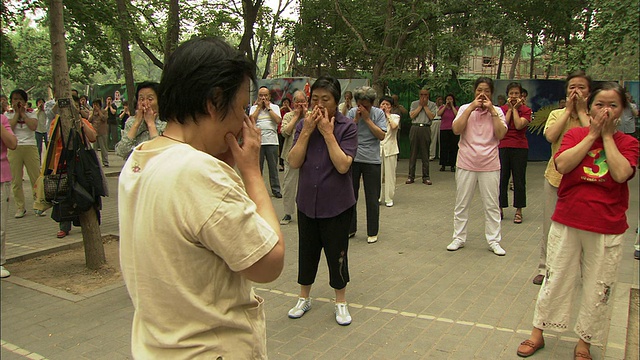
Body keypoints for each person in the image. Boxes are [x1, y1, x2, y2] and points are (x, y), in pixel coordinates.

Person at [118, 37, 284, 358]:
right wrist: (250, 172)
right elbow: (269, 263)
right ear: (213, 101)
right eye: (240, 110)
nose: (242, 123)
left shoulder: (141, 158)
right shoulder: (198, 172)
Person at [516, 82, 639, 359]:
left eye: (612, 105)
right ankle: (538, 332)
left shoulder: (629, 143)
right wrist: (592, 134)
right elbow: (563, 164)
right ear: (589, 107)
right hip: (569, 219)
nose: (605, 110)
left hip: (606, 225)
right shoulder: (575, 135)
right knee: (555, 277)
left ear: (622, 111)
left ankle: (584, 342)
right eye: (599, 105)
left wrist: (606, 138)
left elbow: (620, 174)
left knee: (599, 284)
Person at [286, 75, 358, 325]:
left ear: (335, 102)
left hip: (337, 205)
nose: (318, 104)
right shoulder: (303, 125)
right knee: (307, 252)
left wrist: (328, 134)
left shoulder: (347, 127)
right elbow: (293, 162)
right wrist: (306, 130)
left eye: (325, 99)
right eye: (314, 98)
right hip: (307, 202)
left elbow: (342, 166)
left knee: (337, 254)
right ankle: (303, 297)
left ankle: (340, 301)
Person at [534, 70, 592, 286]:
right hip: (555, 178)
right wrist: (568, 111)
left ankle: (585, 272)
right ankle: (544, 267)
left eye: (581, 87)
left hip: (585, 182)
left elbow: (594, 137)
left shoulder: (593, 116)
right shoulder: (557, 115)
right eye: (572, 87)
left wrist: (582, 111)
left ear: (589, 92)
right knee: (549, 225)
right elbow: (550, 136)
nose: (576, 91)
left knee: (584, 229)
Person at [447, 77, 508, 256]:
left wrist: (491, 111)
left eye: (486, 91)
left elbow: (501, 134)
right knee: (462, 202)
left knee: (491, 205)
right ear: (474, 92)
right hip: (466, 162)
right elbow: (456, 129)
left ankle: (494, 240)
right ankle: (458, 237)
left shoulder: (497, 111)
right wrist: (472, 108)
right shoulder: (466, 108)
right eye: (479, 90)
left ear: (492, 93)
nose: (482, 94)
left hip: (490, 164)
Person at [47, 95, 98, 238]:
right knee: (63, 195)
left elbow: (93, 136)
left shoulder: (82, 121)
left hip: (81, 164)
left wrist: (81, 125)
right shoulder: (55, 122)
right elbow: (53, 138)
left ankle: (84, 222)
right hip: (62, 164)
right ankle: (64, 226)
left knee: (82, 193)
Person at [347, 86, 387, 243]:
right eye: (360, 105)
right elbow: (346, 134)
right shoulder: (351, 113)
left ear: (372, 104)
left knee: (372, 198)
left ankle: (372, 231)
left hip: (372, 160)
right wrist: (356, 120)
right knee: (351, 196)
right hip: (353, 159)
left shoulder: (378, 114)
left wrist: (367, 119)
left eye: (366, 105)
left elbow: (381, 135)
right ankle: (350, 228)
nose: (362, 108)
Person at [498, 82, 532, 224]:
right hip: (503, 146)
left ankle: (519, 210)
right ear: (507, 95)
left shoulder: (526, 110)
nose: (513, 96)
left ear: (521, 96)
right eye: (511, 93)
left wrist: (516, 110)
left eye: (516, 94)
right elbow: (504, 126)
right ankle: (499, 208)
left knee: (519, 180)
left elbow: (518, 125)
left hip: (520, 148)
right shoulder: (501, 109)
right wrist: (510, 110)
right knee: (502, 178)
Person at [4, 89, 41, 218]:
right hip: (14, 147)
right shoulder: (7, 114)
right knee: (16, 179)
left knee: (35, 177)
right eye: (14, 99)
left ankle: (39, 204)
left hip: (30, 146)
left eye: (20, 99)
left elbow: (33, 127)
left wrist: (23, 115)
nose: (17, 101)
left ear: (25, 101)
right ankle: (20, 207)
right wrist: (16, 114)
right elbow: (9, 129)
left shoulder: (32, 113)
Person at [115, 82, 166, 160]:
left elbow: (159, 152)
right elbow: (121, 151)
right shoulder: (131, 122)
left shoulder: (167, 122)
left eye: (150, 99)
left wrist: (151, 124)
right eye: (141, 99)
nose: (145, 103)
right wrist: (136, 123)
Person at [279, 90, 307, 225]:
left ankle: (306, 210)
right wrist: (296, 117)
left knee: (307, 185)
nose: (300, 104)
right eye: (298, 101)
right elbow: (284, 132)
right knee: (289, 185)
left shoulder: (310, 115)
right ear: (294, 102)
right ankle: (288, 213)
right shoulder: (288, 116)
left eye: (303, 101)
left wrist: (306, 115)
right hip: (290, 155)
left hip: (308, 156)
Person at [250, 86, 283, 198]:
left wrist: (268, 108)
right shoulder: (254, 108)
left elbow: (278, 120)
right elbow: (251, 121)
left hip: (272, 141)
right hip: (257, 141)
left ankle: (276, 189)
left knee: (273, 167)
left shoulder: (275, 107)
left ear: (269, 96)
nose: (263, 98)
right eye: (261, 95)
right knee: (257, 168)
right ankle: (257, 190)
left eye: (265, 95)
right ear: (258, 96)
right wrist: (259, 108)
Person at [407, 86, 437, 185]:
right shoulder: (414, 103)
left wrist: (425, 106)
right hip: (415, 127)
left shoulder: (432, 104)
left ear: (428, 96)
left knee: (425, 153)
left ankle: (426, 177)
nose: (423, 97)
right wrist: (420, 106)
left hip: (425, 128)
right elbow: (412, 115)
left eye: (425, 95)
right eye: (421, 94)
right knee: (413, 153)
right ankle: (411, 176)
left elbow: (432, 116)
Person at [1, 113, 18, 278]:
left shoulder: (3, 120)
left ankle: (0, 261)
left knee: (0, 225)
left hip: (1, 177)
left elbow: (12, 143)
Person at [379, 96, 400, 207]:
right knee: (377, 174)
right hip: (378, 149)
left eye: (387, 105)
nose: (385, 107)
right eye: (383, 104)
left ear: (391, 107)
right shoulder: (375, 117)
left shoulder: (394, 116)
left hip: (390, 149)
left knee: (390, 175)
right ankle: (377, 197)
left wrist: (387, 115)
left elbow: (394, 126)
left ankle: (389, 198)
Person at [438, 94, 459, 172]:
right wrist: (445, 106)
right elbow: (439, 114)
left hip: (453, 129)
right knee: (444, 147)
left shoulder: (456, 108)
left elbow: (457, 115)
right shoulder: (442, 108)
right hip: (444, 129)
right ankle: (443, 164)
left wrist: (452, 106)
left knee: (453, 147)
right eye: (447, 99)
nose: (449, 100)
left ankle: (452, 165)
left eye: (450, 99)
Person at [89, 99, 109, 167]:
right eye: (94, 105)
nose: (95, 106)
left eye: (97, 105)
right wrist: (92, 112)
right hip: (94, 132)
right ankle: (95, 162)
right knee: (94, 149)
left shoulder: (104, 111)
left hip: (102, 132)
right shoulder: (91, 112)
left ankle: (105, 162)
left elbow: (104, 118)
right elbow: (89, 120)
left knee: (103, 148)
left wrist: (99, 111)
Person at [278, 97, 292, 171]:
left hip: (289, 132)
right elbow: (277, 114)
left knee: (287, 147)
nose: (286, 104)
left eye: (287, 102)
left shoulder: (290, 112)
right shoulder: (281, 110)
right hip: (280, 131)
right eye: (284, 102)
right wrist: (282, 108)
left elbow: (292, 114)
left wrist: (288, 108)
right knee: (281, 148)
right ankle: (281, 164)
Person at [429, 96, 444, 161]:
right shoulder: (433, 106)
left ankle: (441, 155)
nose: (440, 101)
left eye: (441, 99)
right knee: (433, 139)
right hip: (434, 121)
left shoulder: (444, 106)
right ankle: (432, 155)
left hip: (441, 121)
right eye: (438, 99)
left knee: (441, 139)